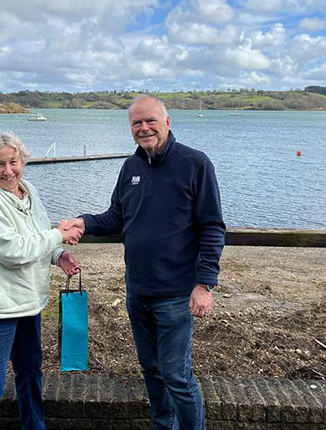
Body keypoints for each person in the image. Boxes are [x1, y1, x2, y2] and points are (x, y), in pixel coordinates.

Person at [65, 95, 225, 430]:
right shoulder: (131, 167)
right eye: (136, 123)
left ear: (167, 122)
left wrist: (204, 283)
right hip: (138, 292)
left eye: (150, 120)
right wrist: (85, 222)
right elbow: (117, 217)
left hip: (176, 295)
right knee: (151, 370)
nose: (144, 128)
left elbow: (212, 227)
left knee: (177, 376)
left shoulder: (195, 163)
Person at [0, 131, 82, 430]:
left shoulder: (28, 190)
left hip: (29, 302)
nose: (8, 170)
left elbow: (36, 235)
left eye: (13, 161)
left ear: (22, 161)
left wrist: (58, 254)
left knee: (30, 372)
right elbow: (12, 251)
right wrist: (58, 234)